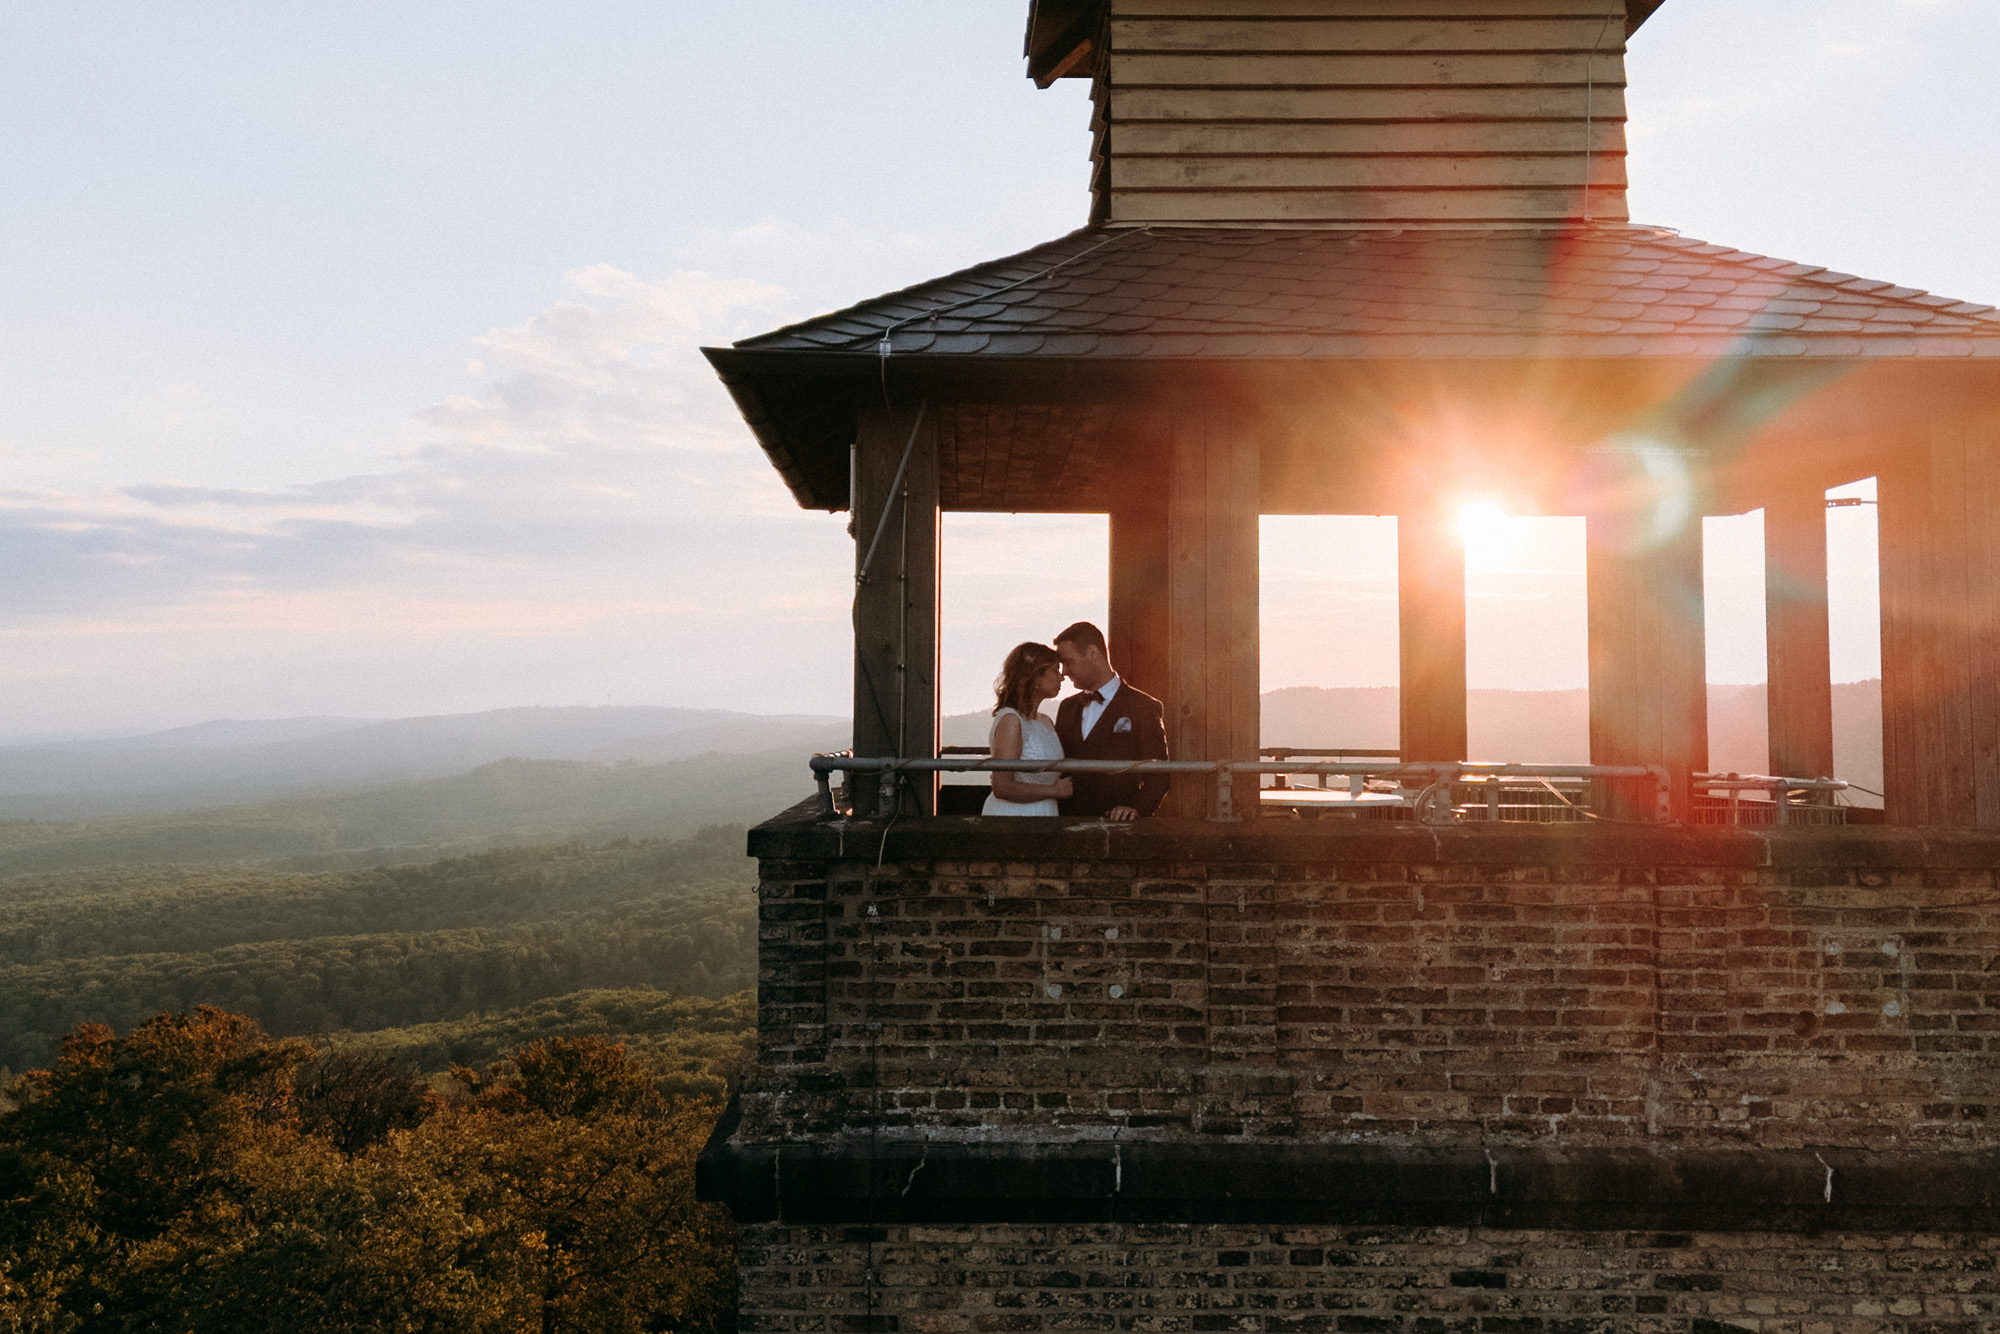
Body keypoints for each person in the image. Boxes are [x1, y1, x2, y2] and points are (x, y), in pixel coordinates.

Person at [1052, 621, 1169, 820]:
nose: (1064, 671)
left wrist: (1136, 809)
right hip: (1066, 824)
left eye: (1068, 662)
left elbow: (1160, 774)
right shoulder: (1067, 708)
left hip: (1117, 828)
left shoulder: (1144, 706)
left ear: (1092, 653)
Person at [982, 641, 1073, 817]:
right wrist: (1054, 791)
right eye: (1055, 670)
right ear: (1035, 677)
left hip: (1045, 812)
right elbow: (1002, 787)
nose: (1061, 677)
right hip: (1013, 817)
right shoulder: (1011, 720)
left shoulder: (1045, 721)